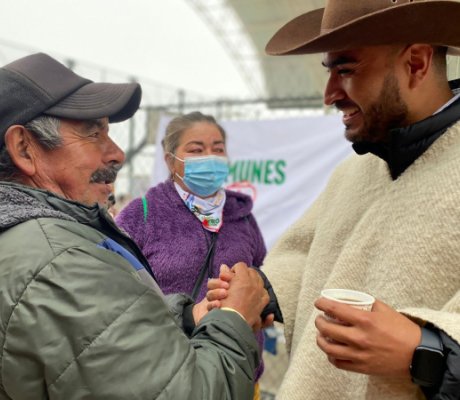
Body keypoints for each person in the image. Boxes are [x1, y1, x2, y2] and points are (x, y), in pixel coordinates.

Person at [0, 52, 271, 399]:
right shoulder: (61, 261)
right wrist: (234, 317)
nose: (116, 153)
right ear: (24, 148)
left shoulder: (51, 239)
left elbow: (97, 341)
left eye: (217, 149)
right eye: (93, 133)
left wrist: (188, 317)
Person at [259, 1, 460, 399]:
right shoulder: (351, 173)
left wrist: (427, 353)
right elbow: (304, 253)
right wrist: (263, 291)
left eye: (346, 70)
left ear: (416, 64)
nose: (330, 94)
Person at [115, 111, 269, 397]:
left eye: (218, 149)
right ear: (171, 161)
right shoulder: (142, 215)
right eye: (196, 150)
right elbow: (116, 296)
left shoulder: (242, 214)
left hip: (240, 374)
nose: (210, 157)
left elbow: (261, 272)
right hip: (170, 377)